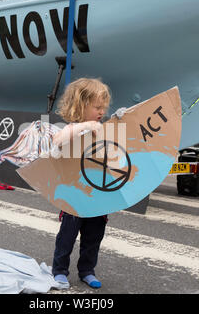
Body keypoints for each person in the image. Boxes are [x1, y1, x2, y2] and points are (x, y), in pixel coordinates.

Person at [51, 78, 111, 289]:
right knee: (67, 235)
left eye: (104, 108)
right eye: (97, 107)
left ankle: (87, 270)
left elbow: (109, 156)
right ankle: (59, 270)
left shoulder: (101, 128)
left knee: (94, 237)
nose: (101, 112)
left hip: (96, 194)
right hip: (73, 193)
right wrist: (85, 126)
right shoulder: (72, 128)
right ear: (81, 105)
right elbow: (57, 140)